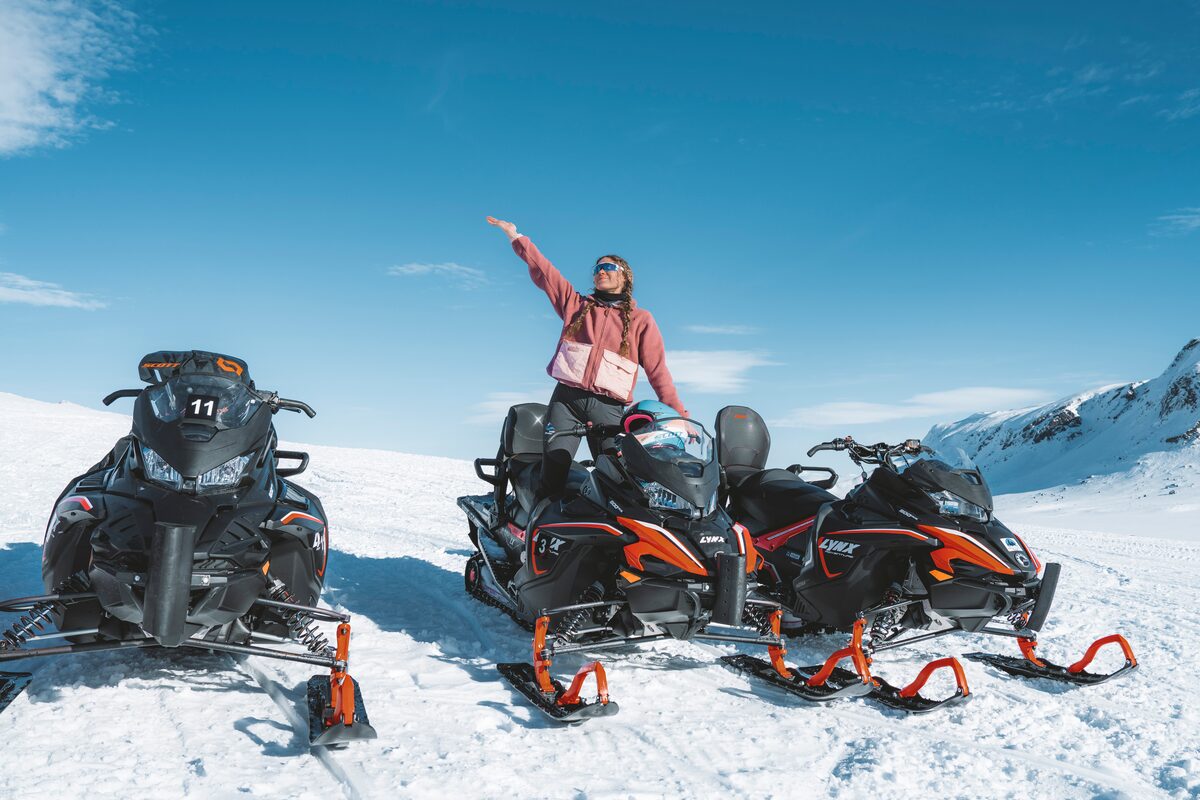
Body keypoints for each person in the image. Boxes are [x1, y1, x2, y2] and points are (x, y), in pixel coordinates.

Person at [486, 216, 687, 498]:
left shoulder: (642, 320)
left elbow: (658, 371)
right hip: (565, 402)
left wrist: (678, 416)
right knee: (553, 474)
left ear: (624, 276)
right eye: (597, 268)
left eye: (608, 267)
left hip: (608, 409)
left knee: (618, 479)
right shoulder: (576, 306)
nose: (600, 272)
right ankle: (539, 536)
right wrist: (515, 236)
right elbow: (545, 273)